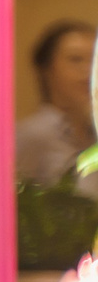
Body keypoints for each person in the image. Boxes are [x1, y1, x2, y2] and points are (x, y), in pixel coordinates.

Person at [17, 19, 97, 195]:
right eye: (76, 60)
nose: (89, 70)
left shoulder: (92, 135)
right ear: (47, 70)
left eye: (94, 60)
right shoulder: (33, 135)